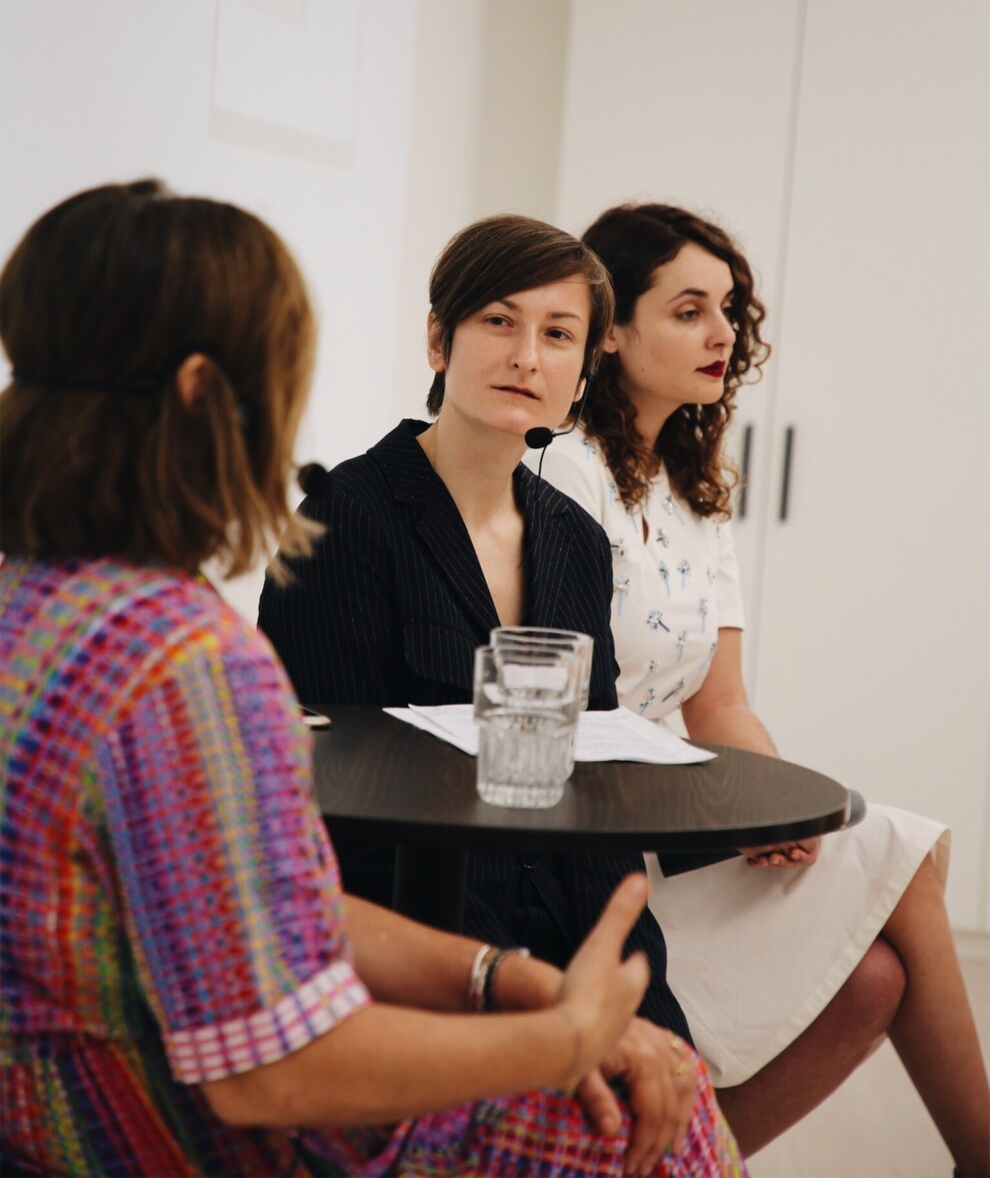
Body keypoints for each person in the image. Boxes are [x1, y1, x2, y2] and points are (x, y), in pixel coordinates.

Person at [0, 183, 751, 1178]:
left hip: (60, 1106)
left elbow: (254, 895)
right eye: (281, 375)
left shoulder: (36, 604)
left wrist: (499, 977)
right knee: (671, 1123)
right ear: (201, 394)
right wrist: (561, 1039)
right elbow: (267, 1068)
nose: (528, 356)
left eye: (559, 334)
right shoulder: (188, 663)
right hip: (173, 1131)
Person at [259, 214, 745, 1165]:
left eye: (558, 334)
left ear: (583, 370)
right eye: (498, 321)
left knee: (688, 1107)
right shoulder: (346, 520)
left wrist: (638, 1000)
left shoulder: (572, 538)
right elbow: (329, 815)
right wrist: (526, 1002)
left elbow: (593, 790)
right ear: (438, 340)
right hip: (426, 976)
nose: (527, 356)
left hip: (568, 949)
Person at [527, 201, 990, 1176]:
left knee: (874, 980)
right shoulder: (564, 475)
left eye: (730, 310)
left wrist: (773, 807)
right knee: (900, 851)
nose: (724, 334)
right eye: (690, 309)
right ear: (611, 331)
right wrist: (726, 809)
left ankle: (683, 1162)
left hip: (677, 816)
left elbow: (722, 706)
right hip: (596, 837)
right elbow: (573, 720)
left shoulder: (694, 489)